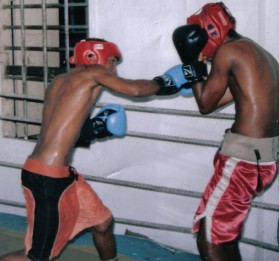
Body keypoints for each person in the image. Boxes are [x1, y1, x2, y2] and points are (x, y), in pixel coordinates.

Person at [0, 38, 189, 261]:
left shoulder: (59, 82)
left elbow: (58, 132)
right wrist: (166, 81)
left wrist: (94, 130)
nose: (114, 69)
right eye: (112, 62)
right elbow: (136, 90)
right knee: (37, 257)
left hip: (58, 173)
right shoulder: (92, 73)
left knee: (103, 222)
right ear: (94, 58)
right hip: (47, 179)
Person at [171, 2, 279, 261]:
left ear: (211, 30)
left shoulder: (228, 51)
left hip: (242, 160)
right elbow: (221, 97)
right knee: (226, 233)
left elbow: (205, 105)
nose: (204, 51)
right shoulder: (258, 53)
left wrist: (192, 63)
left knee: (208, 235)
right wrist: (196, 76)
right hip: (262, 161)